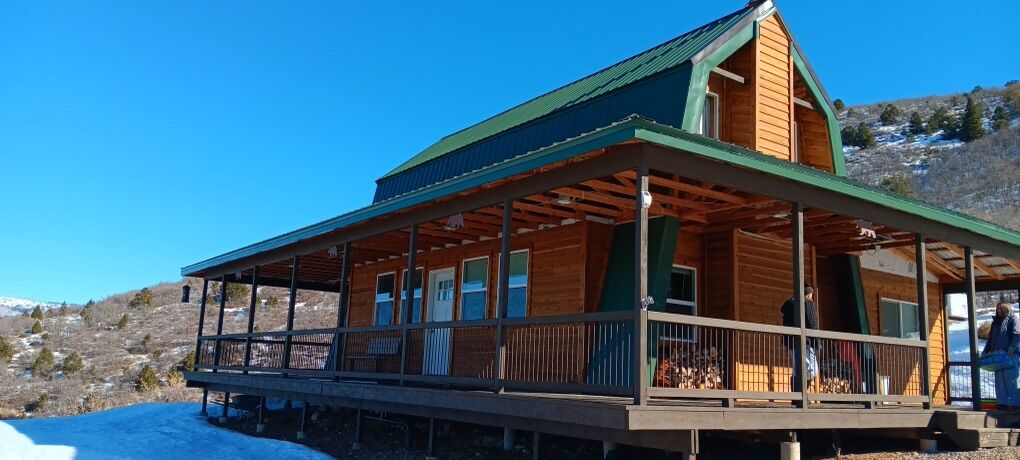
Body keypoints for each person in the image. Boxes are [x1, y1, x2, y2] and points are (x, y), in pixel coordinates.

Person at [981, 302, 1020, 410]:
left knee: (1012, 381)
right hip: (997, 357)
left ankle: (1016, 406)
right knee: (1000, 383)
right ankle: (1002, 404)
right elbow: (990, 339)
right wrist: (985, 352)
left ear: (1006, 309)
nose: (998, 311)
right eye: (997, 309)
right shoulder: (995, 323)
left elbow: (1017, 335)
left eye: (1000, 309)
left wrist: (1012, 348)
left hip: (1010, 356)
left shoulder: (1013, 319)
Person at [780, 284, 819, 392]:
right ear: (808, 293)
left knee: (798, 369)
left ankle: (796, 397)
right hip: (805, 342)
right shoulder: (807, 303)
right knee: (812, 369)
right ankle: (800, 395)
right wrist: (816, 341)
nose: (812, 296)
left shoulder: (788, 305)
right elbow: (812, 323)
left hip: (791, 342)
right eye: (811, 294)